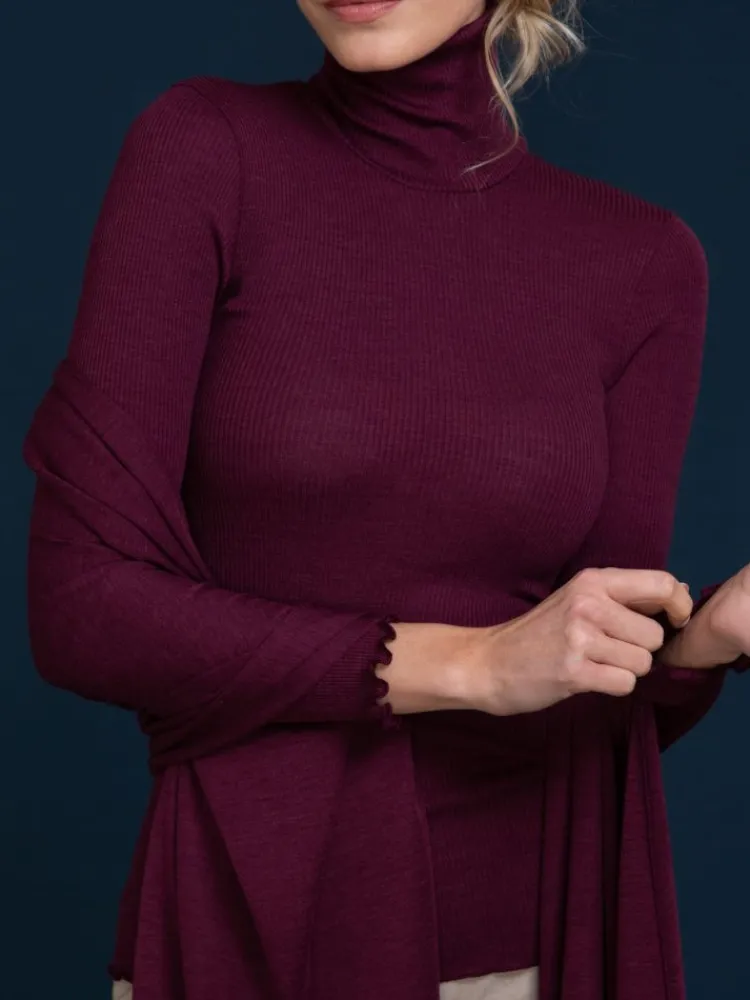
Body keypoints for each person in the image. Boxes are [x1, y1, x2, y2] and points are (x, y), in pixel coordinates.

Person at [21, 2, 750, 999]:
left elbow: (577, 677)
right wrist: (470, 661)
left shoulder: (645, 263)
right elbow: (82, 610)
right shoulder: (206, 150)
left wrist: (700, 640)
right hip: (250, 932)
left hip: (533, 946)